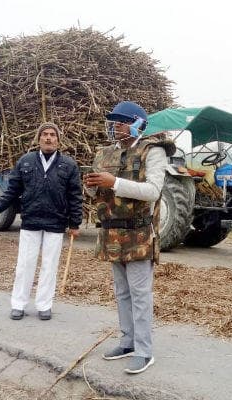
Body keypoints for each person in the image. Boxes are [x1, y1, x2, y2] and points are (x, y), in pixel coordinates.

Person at [84, 101, 175, 375]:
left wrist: (113, 182)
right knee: (122, 292)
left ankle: (144, 351)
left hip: (139, 233)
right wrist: (91, 188)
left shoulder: (153, 151)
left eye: (121, 121)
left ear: (137, 124)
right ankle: (127, 342)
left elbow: (153, 191)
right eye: (114, 122)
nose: (116, 126)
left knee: (140, 294)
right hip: (112, 232)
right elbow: (95, 193)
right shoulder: (105, 153)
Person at [0, 122, 82, 320]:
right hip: (31, 220)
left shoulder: (68, 165)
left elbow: (75, 196)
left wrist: (75, 223)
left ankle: (44, 305)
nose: (49, 138)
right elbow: (12, 191)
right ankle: (18, 304)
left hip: (56, 222)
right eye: (45, 134)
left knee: (49, 266)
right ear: (39, 139)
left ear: (58, 140)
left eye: (52, 135)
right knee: (25, 264)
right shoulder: (26, 161)